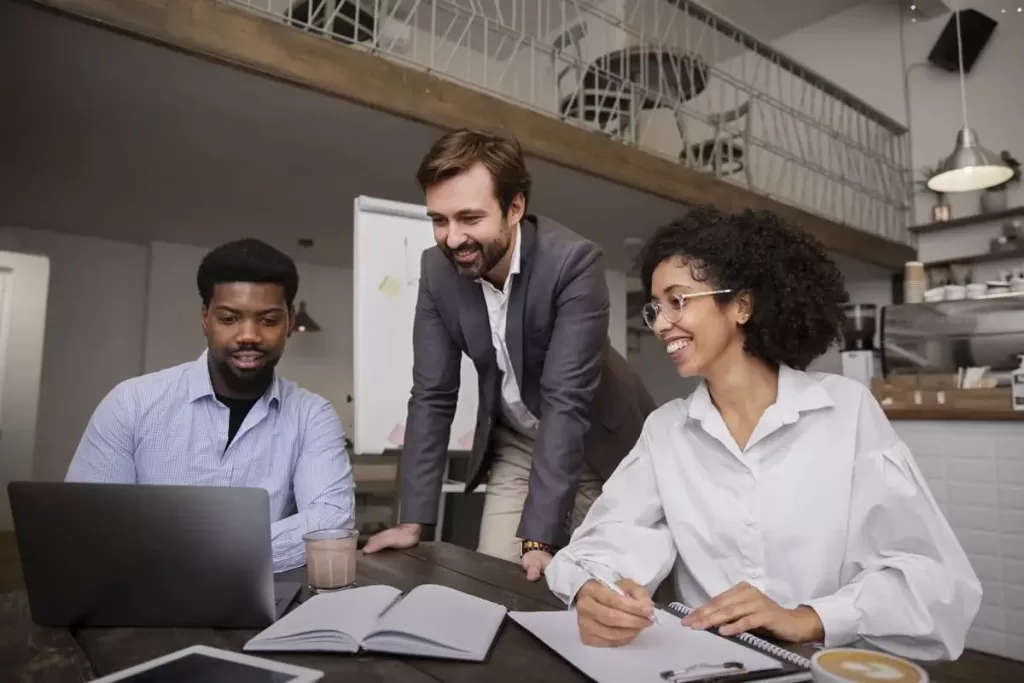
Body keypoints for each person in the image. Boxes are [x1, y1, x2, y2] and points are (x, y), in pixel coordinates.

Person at [545, 206, 981, 661]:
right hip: (707, 666)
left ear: (741, 305)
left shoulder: (846, 411)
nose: (659, 324)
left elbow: (934, 583)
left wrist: (805, 618)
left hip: (824, 668)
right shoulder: (667, 430)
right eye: (655, 308)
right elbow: (604, 544)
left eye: (678, 301)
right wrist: (594, 590)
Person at [363, 129, 655, 579]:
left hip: (597, 442)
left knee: (596, 591)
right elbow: (432, 394)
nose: (452, 238)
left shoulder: (573, 264)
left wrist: (539, 539)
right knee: (497, 581)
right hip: (518, 441)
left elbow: (565, 400)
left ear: (514, 208)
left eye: (469, 218)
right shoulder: (436, 271)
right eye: (439, 220)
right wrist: (412, 519)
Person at [65, 238, 355, 573]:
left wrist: (185, 555)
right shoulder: (131, 403)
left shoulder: (312, 415)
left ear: (290, 321)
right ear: (206, 319)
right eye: (230, 319)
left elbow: (331, 520)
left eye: (268, 320)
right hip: (139, 605)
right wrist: (239, 552)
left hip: (263, 606)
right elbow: (86, 522)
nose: (249, 335)